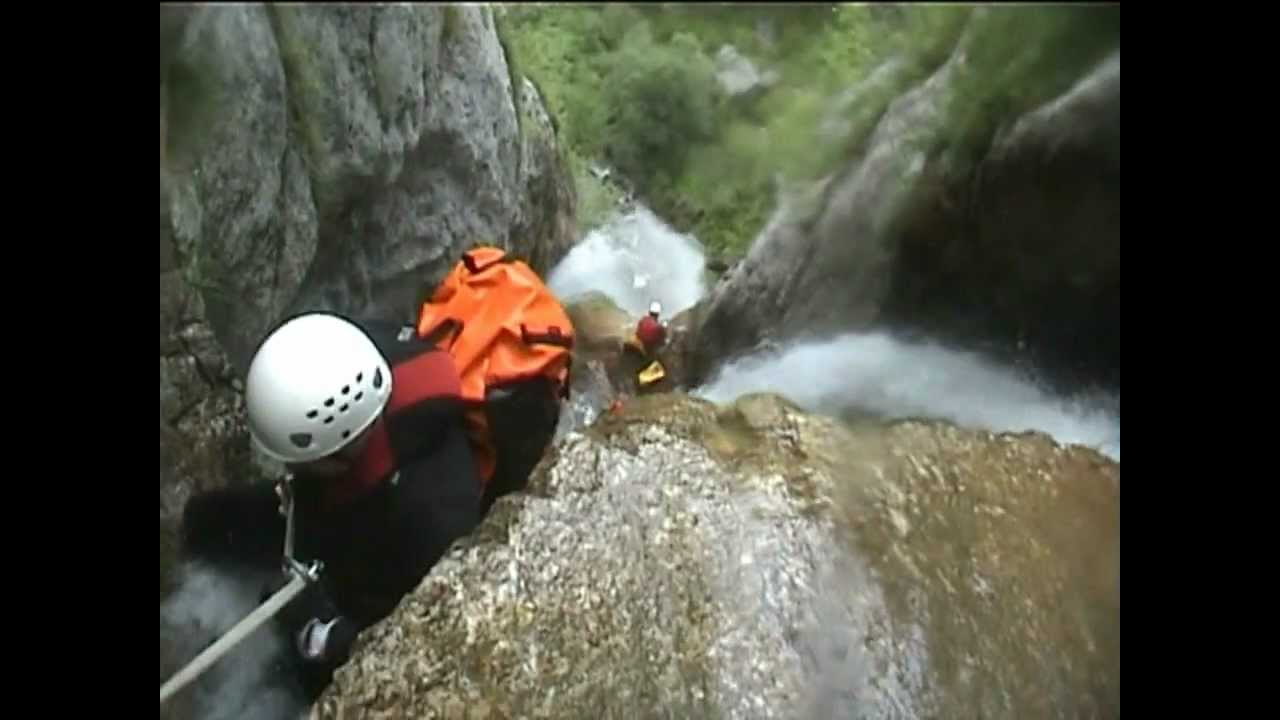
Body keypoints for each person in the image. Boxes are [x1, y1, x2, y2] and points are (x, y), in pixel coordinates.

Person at [178, 306, 563, 700]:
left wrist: (324, 636)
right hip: (345, 503)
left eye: (298, 460)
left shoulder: (433, 512)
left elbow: (432, 632)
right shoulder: (356, 354)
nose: (290, 466)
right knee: (210, 521)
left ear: (338, 449)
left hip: (383, 557)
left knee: (311, 655)